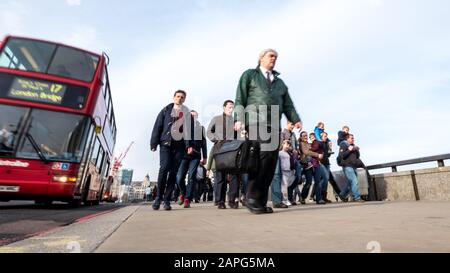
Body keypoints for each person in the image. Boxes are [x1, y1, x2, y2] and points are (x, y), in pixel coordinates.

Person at [235, 49, 302, 214]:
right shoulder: (250, 75)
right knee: (261, 158)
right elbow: (240, 97)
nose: (274, 59)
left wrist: (295, 118)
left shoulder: (279, 83)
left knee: (271, 162)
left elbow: (287, 104)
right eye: (270, 56)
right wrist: (238, 118)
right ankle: (251, 197)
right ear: (261, 58)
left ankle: (261, 200)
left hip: (274, 124)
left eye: (276, 57)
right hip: (255, 120)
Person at [150, 90, 193, 211]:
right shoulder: (165, 110)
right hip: (165, 144)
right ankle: (158, 198)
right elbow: (158, 125)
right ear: (174, 97)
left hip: (179, 147)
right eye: (178, 96)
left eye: (182, 97)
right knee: (164, 168)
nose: (179, 98)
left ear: (184, 100)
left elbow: (188, 131)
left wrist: (189, 145)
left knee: (173, 173)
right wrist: (154, 142)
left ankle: (167, 200)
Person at [207, 100, 240, 209]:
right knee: (220, 176)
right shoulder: (216, 119)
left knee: (234, 175)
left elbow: (240, 135)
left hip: (232, 150)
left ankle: (232, 200)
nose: (231, 109)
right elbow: (208, 132)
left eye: (232, 107)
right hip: (220, 148)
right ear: (224, 107)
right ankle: (220, 201)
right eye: (229, 107)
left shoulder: (236, 121)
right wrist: (216, 140)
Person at [175, 110, 208, 208]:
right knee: (179, 177)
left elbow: (204, 143)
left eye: (195, 116)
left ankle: (187, 199)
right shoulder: (184, 126)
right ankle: (183, 192)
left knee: (191, 177)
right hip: (184, 155)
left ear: (197, 117)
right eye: (191, 116)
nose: (193, 117)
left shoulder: (201, 128)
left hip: (196, 155)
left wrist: (205, 156)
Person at [339, 134, 365, 203]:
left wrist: (356, 150)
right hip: (347, 166)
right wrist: (349, 150)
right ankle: (357, 197)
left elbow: (357, 156)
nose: (353, 139)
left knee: (350, 183)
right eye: (352, 138)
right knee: (355, 181)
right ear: (347, 139)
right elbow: (342, 156)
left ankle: (342, 195)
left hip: (354, 166)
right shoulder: (343, 145)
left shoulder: (353, 146)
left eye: (353, 138)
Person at [279, 140, 296, 206]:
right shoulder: (279, 153)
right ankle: (285, 200)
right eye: (286, 144)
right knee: (284, 186)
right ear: (283, 144)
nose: (288, 146)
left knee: (288, 185)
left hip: (289, 171)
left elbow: (291, 163)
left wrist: (292, 169)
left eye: (289, 145)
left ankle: (285, 199)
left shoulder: (289, 154)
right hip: (283, 171)